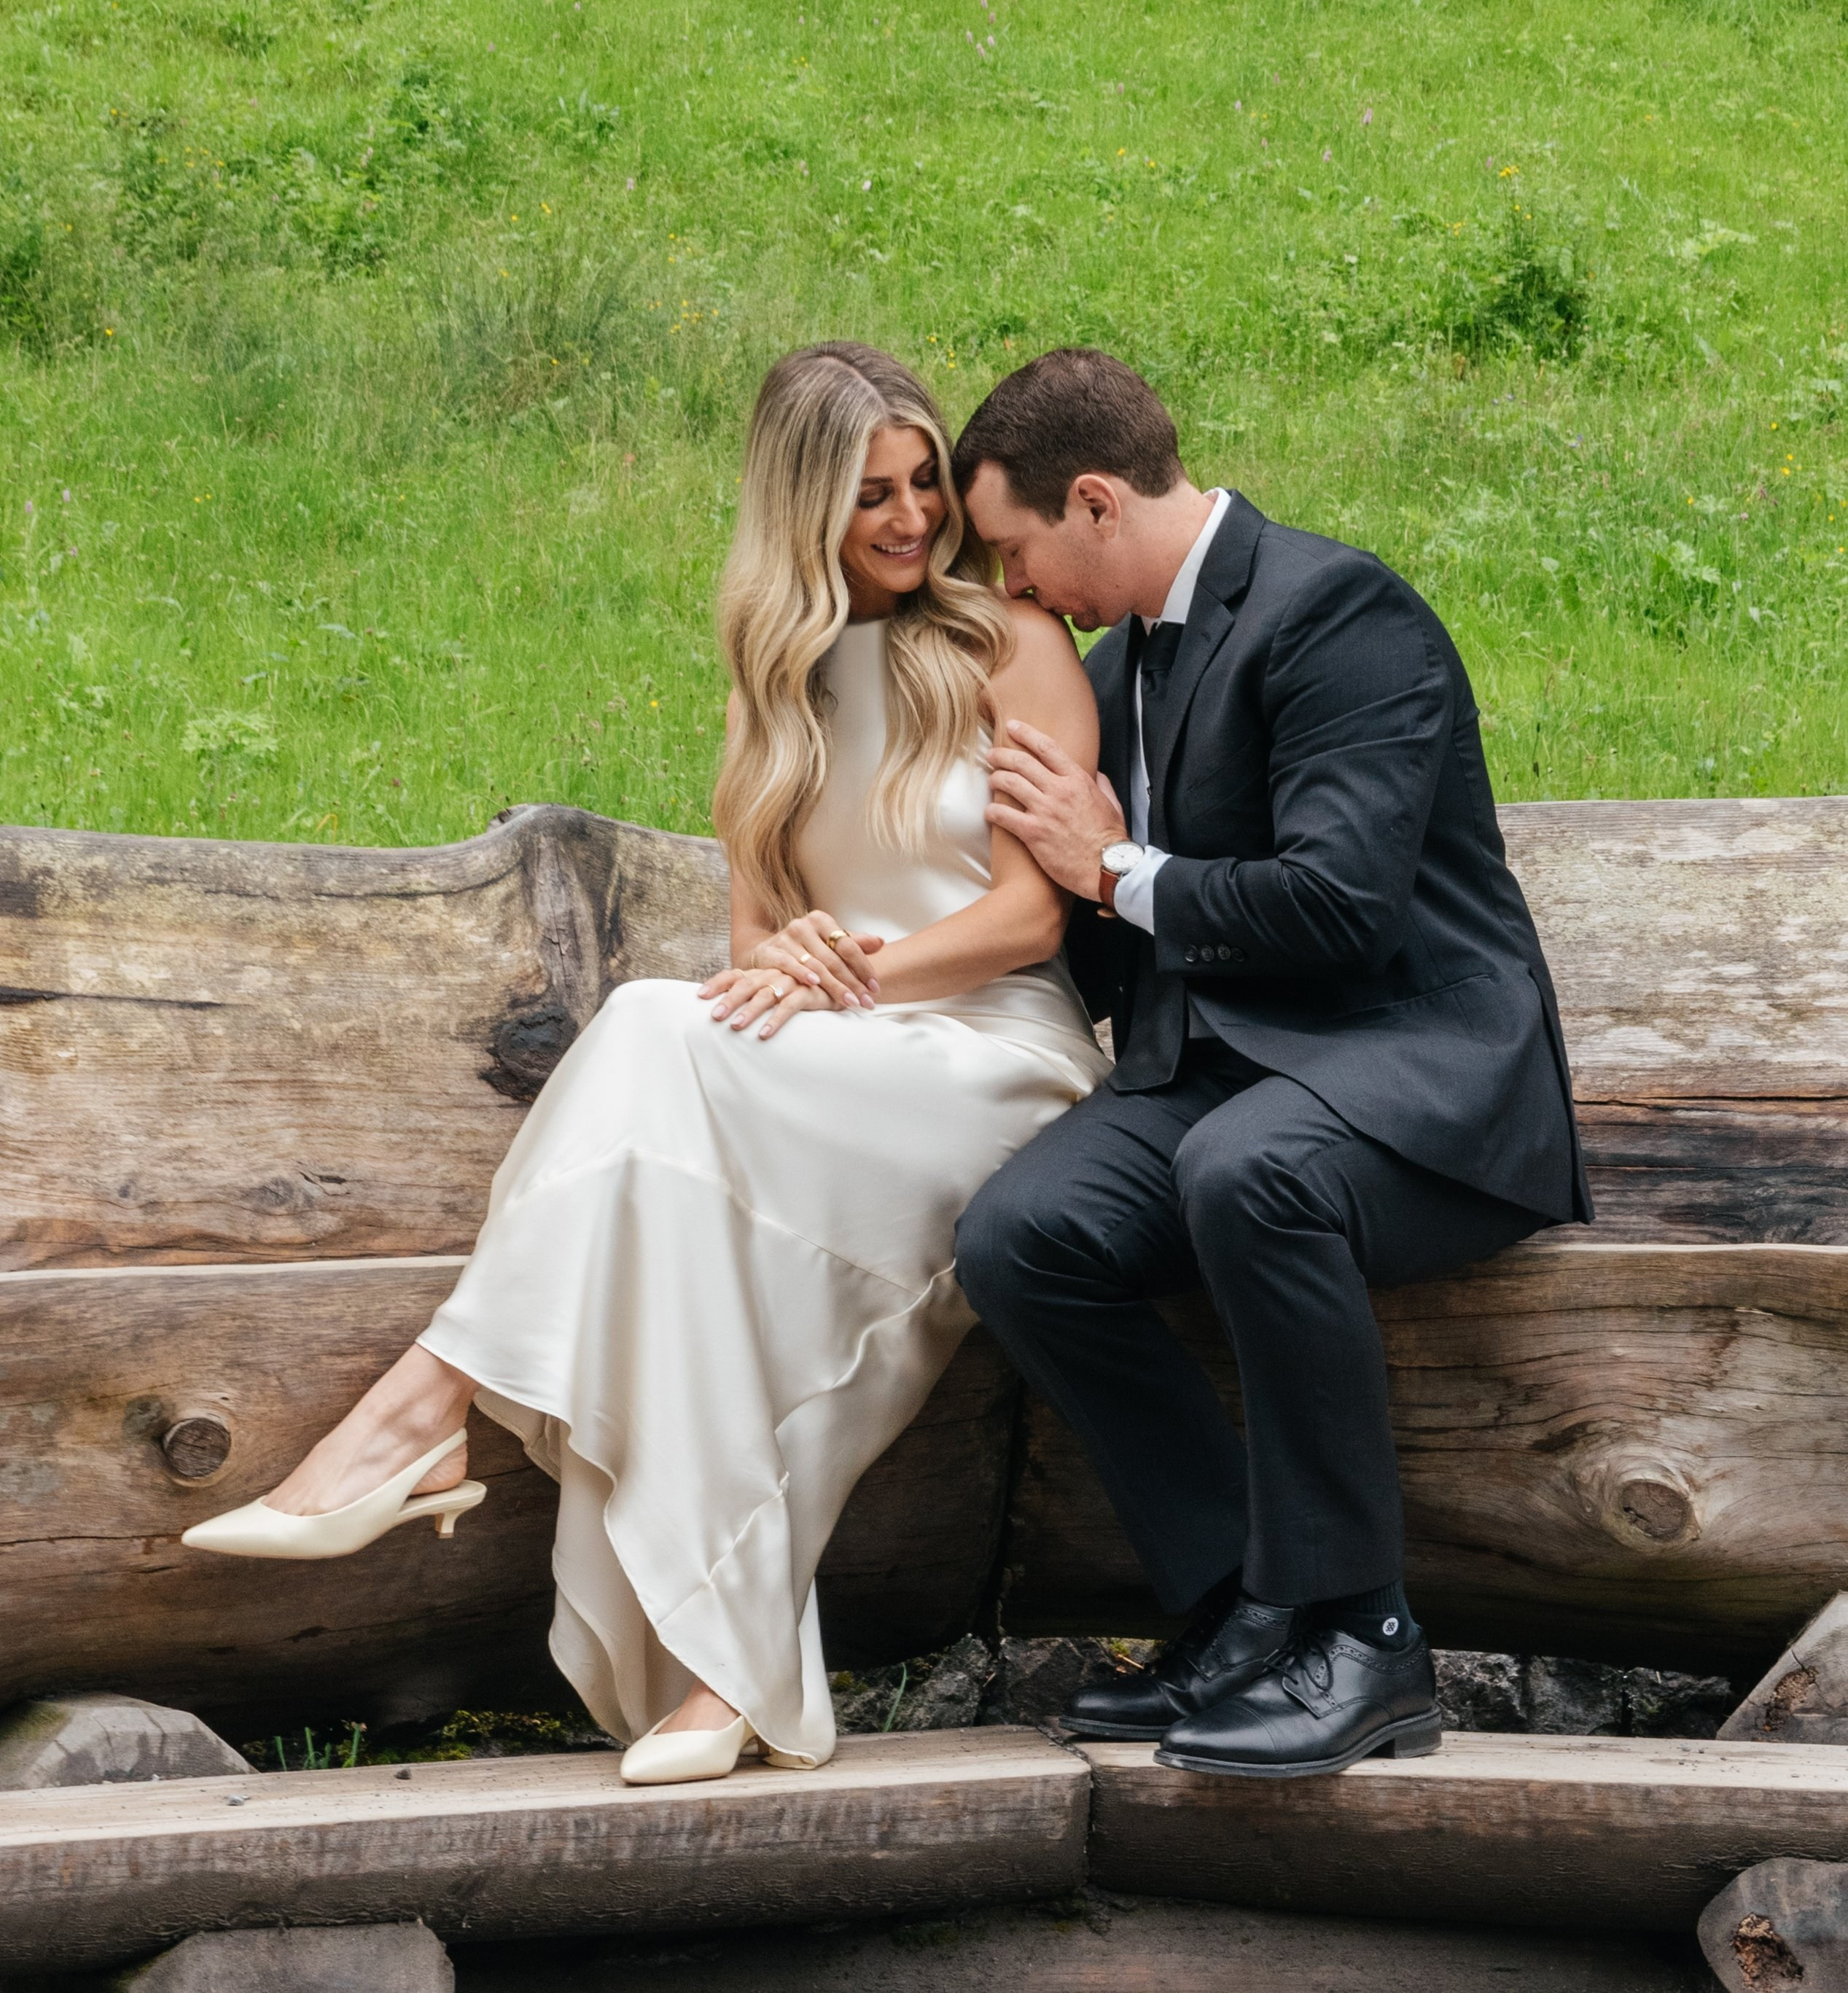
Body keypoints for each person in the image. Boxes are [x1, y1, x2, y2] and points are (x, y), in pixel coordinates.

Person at [184, 343, 1104, 1785]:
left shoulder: (1009, 647)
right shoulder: (772, 680)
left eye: (926, 482)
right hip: (829, 1058)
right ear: (803, 506)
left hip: (991, 1060)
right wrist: (797, 968)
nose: (916, 518)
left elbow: (1031, 912)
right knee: (676, 1230)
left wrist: (845, 972)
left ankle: (421, 1418)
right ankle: (711, 1675)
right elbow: (753, 937)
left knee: (644, 1032)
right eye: (874, 494)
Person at [952, 348, 1589, 1781]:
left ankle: (1365, 1640)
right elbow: (1075, 908)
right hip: (1217, 1079)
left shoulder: (1337, 613)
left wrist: (1112, 865)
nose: (1012, 588)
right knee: (1018, 1234)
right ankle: (1239, 1605)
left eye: (1014, 547)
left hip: (1418, 1084)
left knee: (1252, 1172)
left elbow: (1338, 906)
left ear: (1096, 503)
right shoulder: (1111, 669)